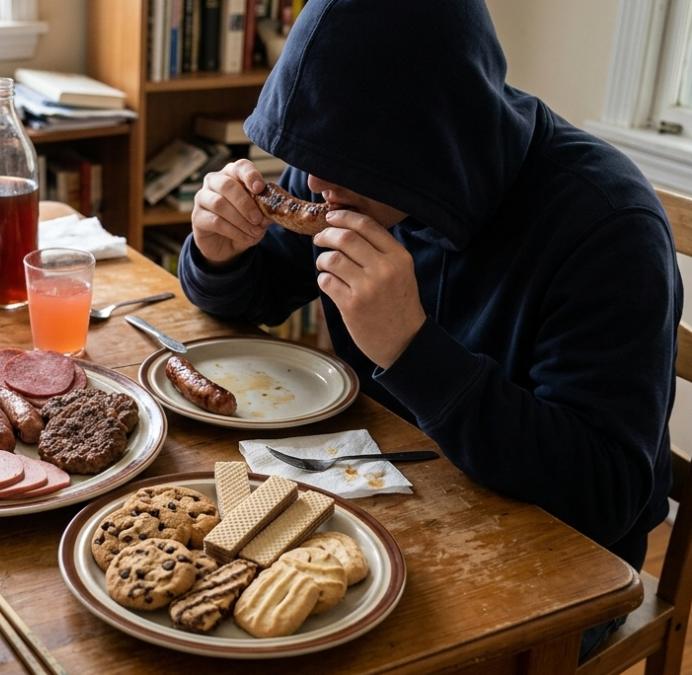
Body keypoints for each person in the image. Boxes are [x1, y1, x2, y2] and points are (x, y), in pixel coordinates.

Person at [179, 0, 683, 658]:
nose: (314, 180)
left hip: (555, 572)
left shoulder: (607, 229)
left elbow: (604, 494)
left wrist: (412, 349)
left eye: (340, 163)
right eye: (308, 155)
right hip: (386, 494)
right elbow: (259, 291)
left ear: (424, 143)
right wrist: (219, 252)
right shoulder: (347, 165)